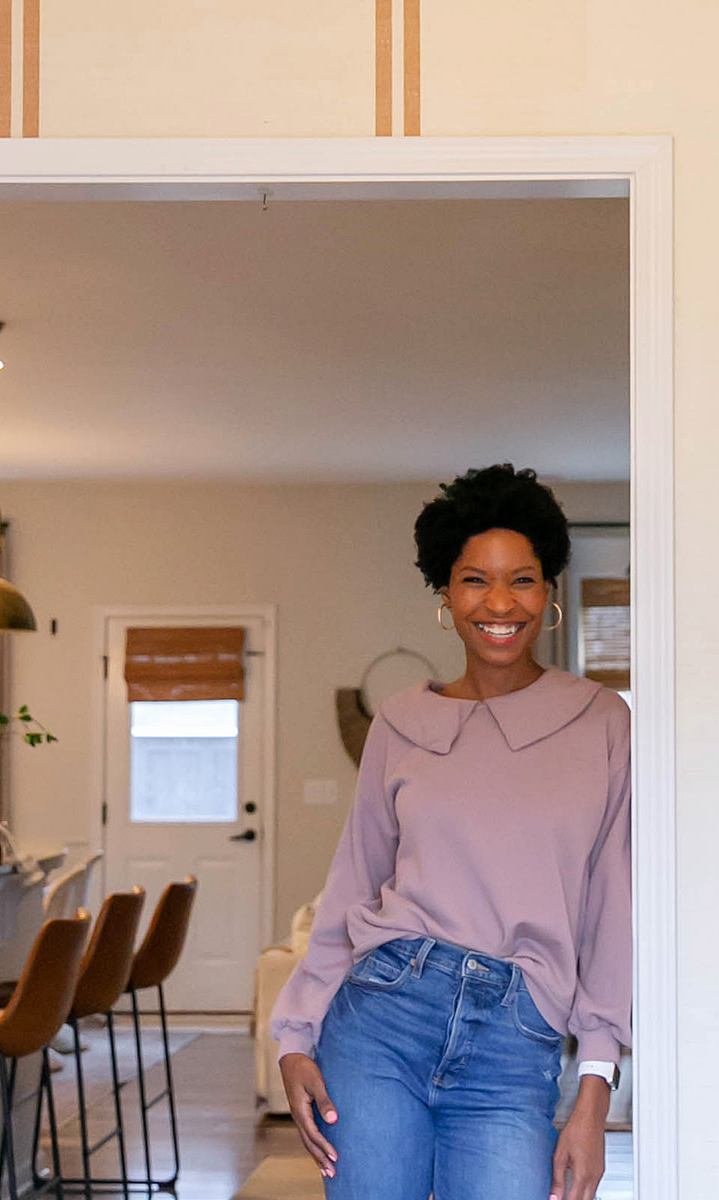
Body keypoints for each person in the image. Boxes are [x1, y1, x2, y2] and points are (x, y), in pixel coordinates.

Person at [269, 463, 631, 1200]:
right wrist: (294, 1036)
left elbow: (612, 912)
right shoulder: (402, 720)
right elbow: (353, 881)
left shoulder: (603, 723)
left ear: (550, 588)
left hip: (517, 1039)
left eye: (522, 579)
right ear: (445, 593)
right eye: (475, 579)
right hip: (380, 1019)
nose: (500, 603)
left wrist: (595, 1083)